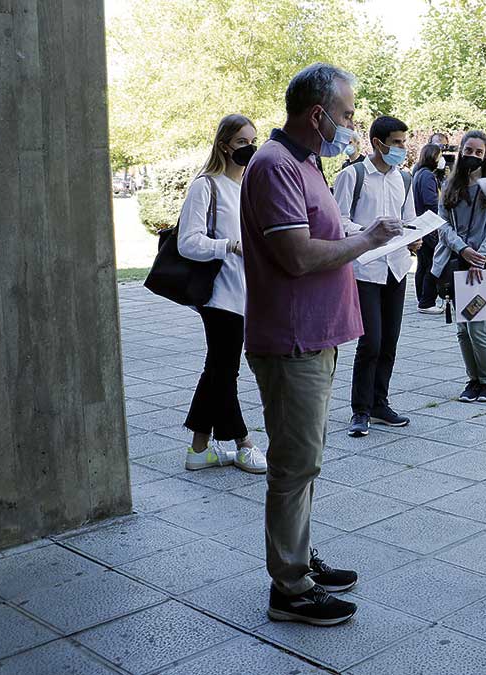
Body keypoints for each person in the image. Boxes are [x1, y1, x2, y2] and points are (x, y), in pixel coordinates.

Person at [241, 63, 401, 626]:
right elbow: (299, 255)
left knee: (304, 460)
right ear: (319, 115)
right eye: (348, 113)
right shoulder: (275, 165)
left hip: (316, 337)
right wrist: (366, 239)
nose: (352, 123)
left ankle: (298, 558)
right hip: (293, 342)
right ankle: (290, 589)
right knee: (294, 463)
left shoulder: (303, 163)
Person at [178, 114, 267, 474]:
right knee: (224, 371)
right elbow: (187, 242)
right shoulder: (206, 186)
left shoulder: (251, 186)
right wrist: (228, 246)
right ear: (224, 145)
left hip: (249, 293)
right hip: (219, 295)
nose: (250, 147)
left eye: (253, 140)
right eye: (243, 141)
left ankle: (199, 449)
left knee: (217, 370)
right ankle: (243, 441)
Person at [333, 115, 419, 437]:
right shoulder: (352, 176)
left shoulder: (405, 178)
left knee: (390, 341)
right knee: (371, 342)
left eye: (403, 142)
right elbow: (338, 221)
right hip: (366, 268)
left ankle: (380, 403)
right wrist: (370, 232)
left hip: (397, 267)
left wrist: (415, 236)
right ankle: (360, 410)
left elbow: (408, 219)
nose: (402, 148)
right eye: (396, 142)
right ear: (378, 143)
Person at [433, 130, 486, 402]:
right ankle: (473, 380)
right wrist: (462, 249)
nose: (473, 156)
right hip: (456, 263)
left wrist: (480, 255)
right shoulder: (450, 184)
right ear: (461, 151)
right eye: (469, 151)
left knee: (476, 326)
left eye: (479, 152)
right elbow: (441, 224)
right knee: (462, 328)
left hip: (482, 267)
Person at [413, 143, 444, 314]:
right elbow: (431, 202)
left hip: (422, 226)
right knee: (432, 264)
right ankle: (426, 300)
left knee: (423, 264)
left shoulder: (419, 174)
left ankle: (422, 298)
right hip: (428, 226)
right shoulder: (426, 176)